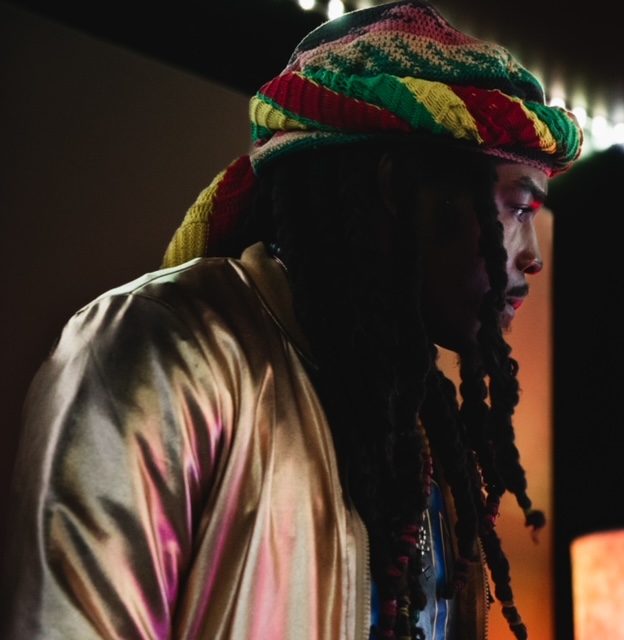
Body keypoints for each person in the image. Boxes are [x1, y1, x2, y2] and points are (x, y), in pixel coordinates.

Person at [0, 1, 582, 639]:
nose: (533, 256)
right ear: (399, 191)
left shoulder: (420, 436)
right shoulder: (160, 349)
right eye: (518, 208)